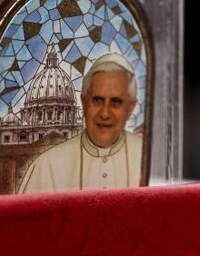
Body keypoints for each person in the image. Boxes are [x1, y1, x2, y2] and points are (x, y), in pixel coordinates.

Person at [19, 53, 142, 193]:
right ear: (84, 102)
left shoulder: (148, 159)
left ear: (130, 107)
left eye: (116, 102)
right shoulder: (45, 167)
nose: (105, 113)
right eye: (97, 100)